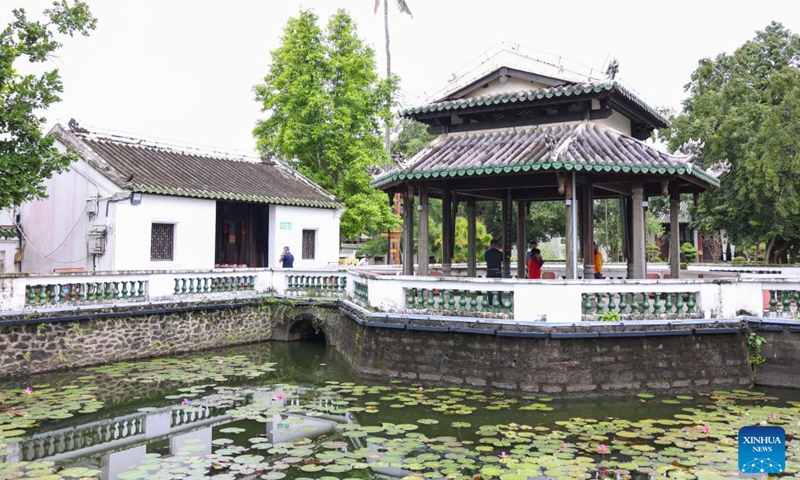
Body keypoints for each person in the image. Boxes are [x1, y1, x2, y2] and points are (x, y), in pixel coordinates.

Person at [484, 239, 504, 307]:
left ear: (490, 245)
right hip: (497, 271)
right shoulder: (500, 253)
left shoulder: (487, 253)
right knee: (499, 287)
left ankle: (490, 302)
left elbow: (486, 261)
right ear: (496, 245)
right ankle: (500, 302)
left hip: (489, 271)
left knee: (489, 287)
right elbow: (501, 261)